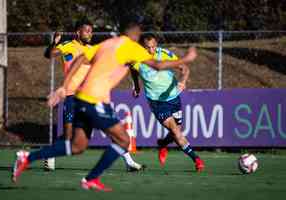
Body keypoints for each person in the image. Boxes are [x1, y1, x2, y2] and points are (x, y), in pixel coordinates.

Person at [12, 19, 197, 191]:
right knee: (123, 140)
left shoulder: (106, 44)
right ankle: (91, 178)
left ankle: (27, 157)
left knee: (77, 145)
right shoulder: (131, 47)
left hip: (81, 97)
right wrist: (185, 60)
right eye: (138, 33)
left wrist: (63, 87)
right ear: (134, 34)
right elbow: (157, 65)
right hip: (95, 99)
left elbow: (80, 59)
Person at [43, 18, 144, 172]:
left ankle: (129, 162)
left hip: (91, 94)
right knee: (69, 136)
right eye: (87, 30)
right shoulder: (68, 45)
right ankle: (50, 154)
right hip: (72, 95)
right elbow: (49, 54)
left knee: (111, 129)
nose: (90, 34)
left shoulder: (93, 48)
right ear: (78, 32)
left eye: (91, 31)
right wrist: (54, 43)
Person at [130, 34, 204, 172]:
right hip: (157, 102)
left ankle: (163, 144)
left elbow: (185, 69)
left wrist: (183, 81)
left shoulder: (164, 54)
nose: (152, 50)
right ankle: (197, 159)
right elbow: (133, 70)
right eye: (148, 48)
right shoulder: (136, 59)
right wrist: (136, 86)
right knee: (175, 130)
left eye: (154, 46)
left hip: (173, 97)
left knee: (176, 131)